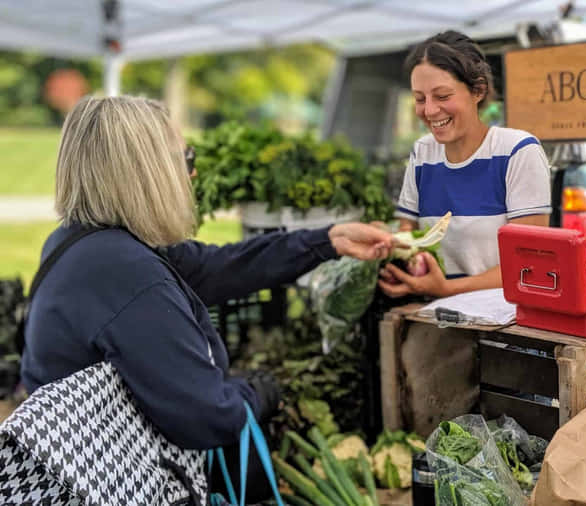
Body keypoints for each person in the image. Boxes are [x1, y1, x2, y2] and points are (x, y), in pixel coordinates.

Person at [19, 95, 396, 499]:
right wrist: (259, 394)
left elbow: (216, 267)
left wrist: (328, 240)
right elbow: (206, 416)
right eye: (186, 160)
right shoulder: (127, 274)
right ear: (147, 174)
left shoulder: (83, 243)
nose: (193, 173)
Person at [378, 30, 552, 299]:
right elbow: (407, 234)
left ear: (478, 90)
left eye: (442, 96)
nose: (429, 110)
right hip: (433, 310)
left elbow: (529, 262)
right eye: (420, 99)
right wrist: (392, 250)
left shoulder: (517, 151)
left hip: (502, 314)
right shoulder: (423, 153)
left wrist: (446, 289)